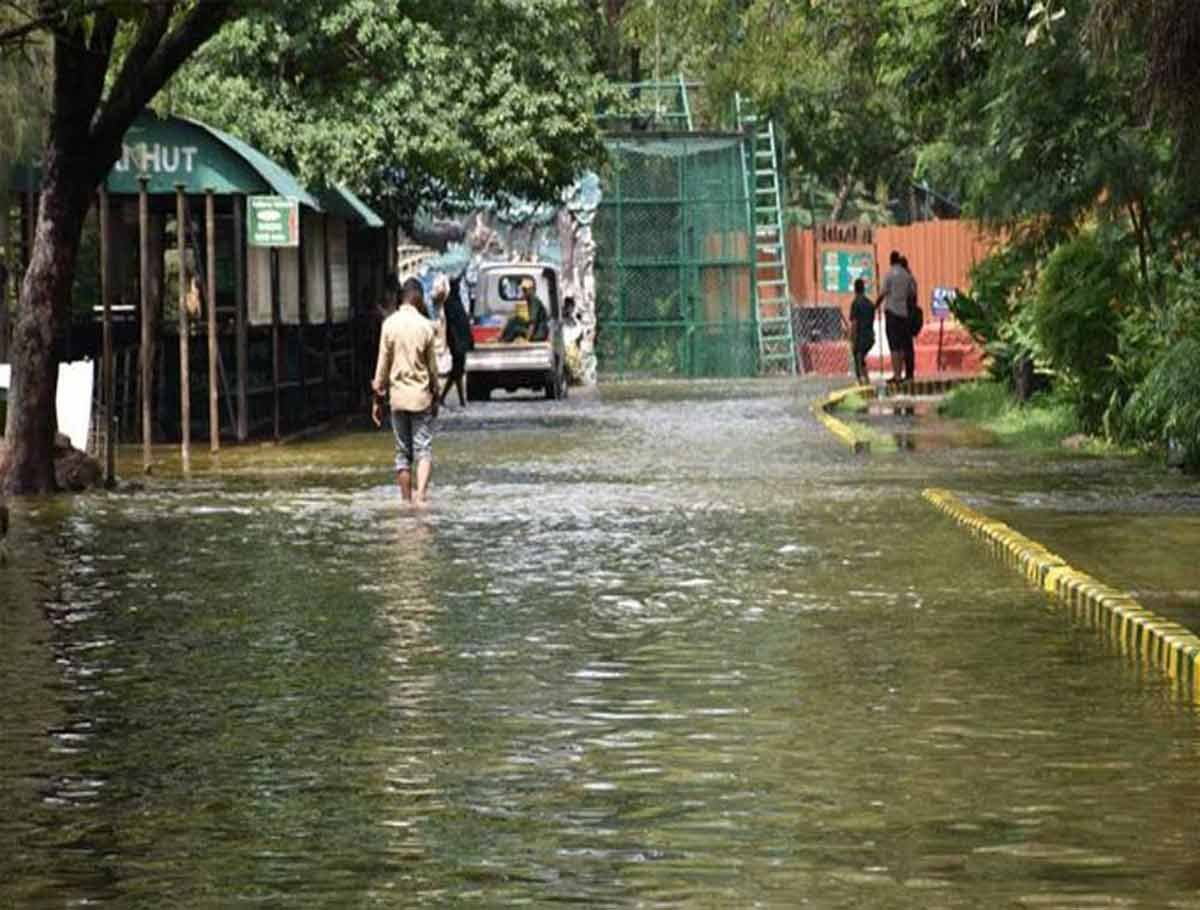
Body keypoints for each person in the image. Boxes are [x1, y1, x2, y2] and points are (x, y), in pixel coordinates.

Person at [372, 277, 440, 506]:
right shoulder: (426, 327)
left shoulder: (389, 325)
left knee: (402, 454)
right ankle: (421, 497)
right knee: (423, 449)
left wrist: (376, 400)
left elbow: (382, 367)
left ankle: (406, 502)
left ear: (402, 297)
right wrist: (436, 394)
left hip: (398, 399)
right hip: (421, 397)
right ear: (419, 298)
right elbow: (433, 369)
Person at [875, 250, 915, 383]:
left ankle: (896, 374)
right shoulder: (907, 276)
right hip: (903, 314)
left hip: (891, 313)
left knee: (894, 345)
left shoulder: (889, 274)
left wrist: (875, 307)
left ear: (891, 261)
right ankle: (902, 374)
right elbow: (912, 295)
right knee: (903, 344)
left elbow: (882, 293)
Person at [439, 275, 474, 408]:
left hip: (461, 339)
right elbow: (453, 324)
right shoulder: (450, 302)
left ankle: (459, 399)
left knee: (458, 370)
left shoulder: (457, 300)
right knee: (457, 370)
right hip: (456, 340)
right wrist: (456, 342)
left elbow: (462, 321)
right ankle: (451, 398)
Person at [500, 277, 549, 343]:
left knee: (515, 328)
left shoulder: (534, 301)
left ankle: (505, 341)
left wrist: (527, 340)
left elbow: (533, 323)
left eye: (525, 290)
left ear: (531, 290)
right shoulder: (529, 300)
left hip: (538, 334)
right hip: (536, 331)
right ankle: (501, 338)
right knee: (514, 320)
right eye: (523, 289)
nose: (524, 292)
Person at [848, 277, 876, 385]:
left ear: (855, 289)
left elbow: (854, 323)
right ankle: (866, 381)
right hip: (870, 336)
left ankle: (860, 381)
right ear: (863, 289)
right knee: (861, 358)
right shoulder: (869, 303)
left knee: (857, 357)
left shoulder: (855, 303)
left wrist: (852, 338)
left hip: (861, 337)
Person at [901, 255, 919, 382]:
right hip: (907, 313)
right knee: (907, 345)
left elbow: (911, 296)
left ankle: (909, 373)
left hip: (906, 314)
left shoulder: (908, 279)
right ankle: (908, 372)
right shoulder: (910, 278)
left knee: (906, 345)